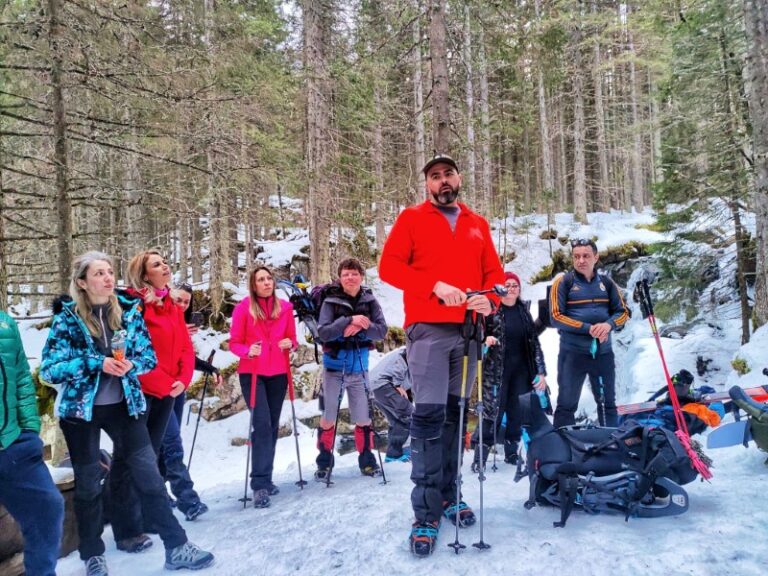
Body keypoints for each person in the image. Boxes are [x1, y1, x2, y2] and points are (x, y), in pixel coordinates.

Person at [40, 251, 213, 575]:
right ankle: (93, 554)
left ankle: (177, 546)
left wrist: (132, 363)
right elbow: (50, 369)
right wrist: (96, 363)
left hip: (125, 406)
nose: (107, 278)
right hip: (82, 412)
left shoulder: (129, 312)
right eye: (98, 273)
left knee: (149, 475)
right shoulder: (67, 318)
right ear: (82, 282)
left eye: (109, 271)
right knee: (89, 484)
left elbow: (147, 357)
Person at [379, 154, 505, 557]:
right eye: (435, 176)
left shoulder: (477, 224)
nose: (442, 180)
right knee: (429, 418)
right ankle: (426, 513)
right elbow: (388, 268)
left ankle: (451, 494)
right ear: (427, 185)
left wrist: (490, 301)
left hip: (469, 332)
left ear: (459, 177)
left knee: (455, 416)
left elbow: (495, 277)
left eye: (448, 173)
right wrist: (434, 285)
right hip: (429, 331)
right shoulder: (411, 219)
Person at [109, 248, 196, 550]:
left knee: (154, 454)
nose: (165, 266)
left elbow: (185, 345)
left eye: (166, 262)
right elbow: (131, 352)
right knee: (127, 458)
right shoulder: (133, 305)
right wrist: (163, 382)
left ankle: (148, 516)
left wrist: (182, 380)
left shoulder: (172, 303)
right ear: (145, 274)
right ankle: (126, 529)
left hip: (168, 391)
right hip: (140, 392)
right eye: (157, 264)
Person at [0, 311, 64, 576]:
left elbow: (22, 377)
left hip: (13, 441)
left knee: (48, 507)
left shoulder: (5, 323)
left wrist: (28, 428)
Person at [229, 266, 297, 508]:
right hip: (253, 372)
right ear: (253, 284)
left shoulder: (286, 308)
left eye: (269, 278)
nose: (267, 283)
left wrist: (291, 343)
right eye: (261, 279)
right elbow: (234, 343)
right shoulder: (243, 309)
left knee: (271, 425)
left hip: (278, 372)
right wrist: (248, 350)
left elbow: (293, 338)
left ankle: (266, 479)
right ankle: (258, 484)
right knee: (261, 424)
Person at [152, 285, 221, 521]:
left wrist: (209, 368)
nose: (182, 306)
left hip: (177, 389)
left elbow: (185, 357)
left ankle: (160, 495)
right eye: (178, 300)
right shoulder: (158, 320)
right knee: (171, 443)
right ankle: (187, 499)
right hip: (157, 389)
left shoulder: (180, 326)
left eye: (186, 302)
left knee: (165, 445)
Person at [314, 258, 388, 480]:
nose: (350, 278)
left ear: (361, 276)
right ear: (340, 277)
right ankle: (324, 463)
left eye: (354, 273)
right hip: (333, 369)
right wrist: (349, 320)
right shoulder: (330, 301)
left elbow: (381, 331)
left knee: (363, 418)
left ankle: (367, 461)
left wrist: (359, 328)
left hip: (359, 368)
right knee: (328, 417)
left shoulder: (370, 300)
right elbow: (323, 333)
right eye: (346, 274)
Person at [549, 238, 630, 428]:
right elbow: (555, 317)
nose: (581, 260)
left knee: (607, 404)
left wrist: (609, 325)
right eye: (576, 256)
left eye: (586, 256)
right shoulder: (563, 283)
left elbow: (623, 312)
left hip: (603, 353)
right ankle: (563, 451)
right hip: (572, 354)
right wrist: (588, 329)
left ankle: (610, 446)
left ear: (596, 257)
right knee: (566, 405)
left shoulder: (607, 283)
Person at [471, 271, 548, 471]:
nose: (511, 288)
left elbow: (534, 344)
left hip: (521, 371)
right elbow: (477, 335)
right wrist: (485, 339)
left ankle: (512, 452)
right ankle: (480, 455)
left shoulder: (524, 311)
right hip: (495, 372)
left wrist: (541, 372)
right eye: (507, 284)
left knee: (516, 412)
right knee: (492, 412)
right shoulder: (492, 311)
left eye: (515, 285)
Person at [369, 347, 413, 463]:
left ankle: (393, 455)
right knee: (409, 415)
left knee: (397, 420)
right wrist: (398, 384)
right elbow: (404, 357)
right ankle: (396, 454)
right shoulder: (415, 349)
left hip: (376, 387)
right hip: (384, 384)